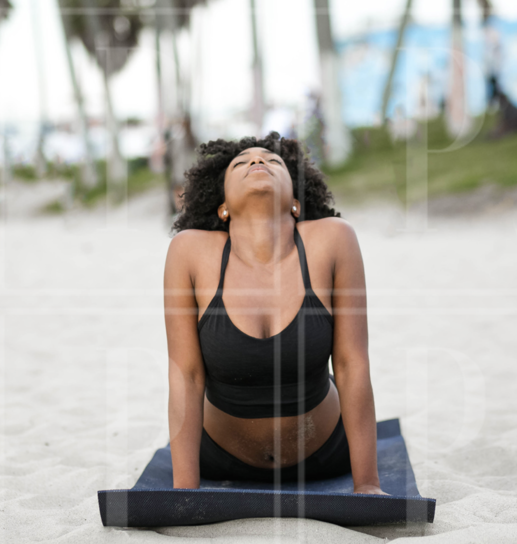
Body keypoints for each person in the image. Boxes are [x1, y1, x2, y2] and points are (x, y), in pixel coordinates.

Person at [164, 131, 386, 495]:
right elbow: (186, 375)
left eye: (272, 161)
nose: (257, 161)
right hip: (217, 458)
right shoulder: (189, 251)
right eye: (241, 163)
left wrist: (367, 485)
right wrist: (184, 492)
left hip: (326, 454)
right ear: (222, 206)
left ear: (296, 201)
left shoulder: (333, 239)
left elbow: (351, 364)